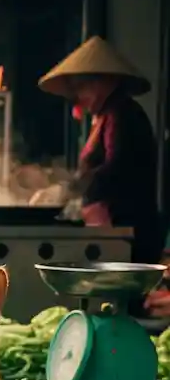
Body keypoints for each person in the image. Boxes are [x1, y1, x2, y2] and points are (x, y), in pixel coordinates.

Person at [38, 36, 164, 265]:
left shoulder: (122, 113)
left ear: (107, 81)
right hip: (113, 230)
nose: (78, 96)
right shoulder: (108, 115)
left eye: (82, 86)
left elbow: (118, 167)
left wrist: (69, 189)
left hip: (128, 232)